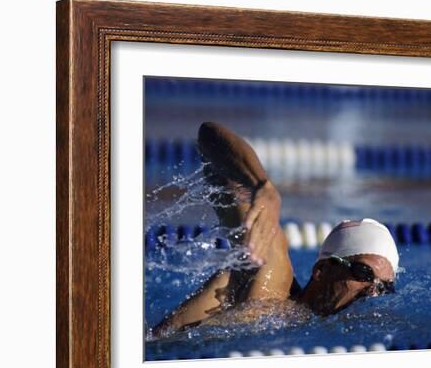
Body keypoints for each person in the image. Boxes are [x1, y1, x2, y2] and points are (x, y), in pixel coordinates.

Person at [152, 122, 399, 338]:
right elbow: (208, 136)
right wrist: (262, 185)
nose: (373, 290)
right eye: (364, 273)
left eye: (385, 287)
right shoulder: (270, 273)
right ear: (321, 271)